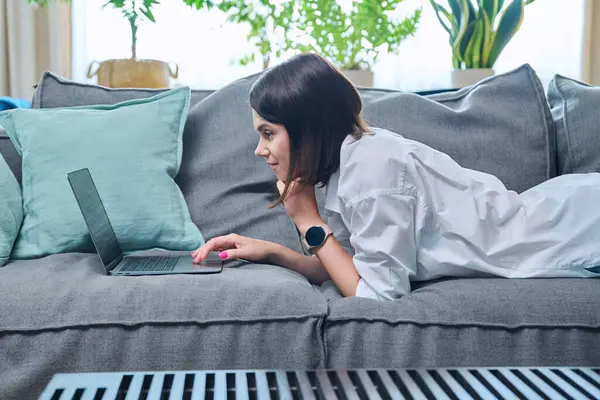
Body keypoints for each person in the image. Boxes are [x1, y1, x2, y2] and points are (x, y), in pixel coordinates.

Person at [191, 52, 600, 301]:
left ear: (308, 128)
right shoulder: (347, 167)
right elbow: (349, 267)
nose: (259, 151)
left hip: (576, 229)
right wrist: (271, 251)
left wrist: (309, 222)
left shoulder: (372, 173)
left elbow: (377, 296)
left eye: (268, 134)